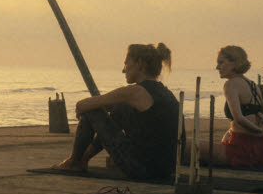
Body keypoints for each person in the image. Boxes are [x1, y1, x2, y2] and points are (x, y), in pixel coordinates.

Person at [52, 43, 180, 180]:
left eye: (126, 64)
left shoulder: (134, 92)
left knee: (93, 110)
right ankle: (81, 160)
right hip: (166, 170)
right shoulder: (165, 93)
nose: (123, 70)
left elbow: (82, 105)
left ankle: (74, 161)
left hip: (142, 169)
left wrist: (86, 111)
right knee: (120, 109)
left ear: (139, 63)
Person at [201, 45, 263, 167]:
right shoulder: (253, 85)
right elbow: (259, 115)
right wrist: (261, 128)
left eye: (221, 62)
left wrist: (257, 129)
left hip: (239, 151)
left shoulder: (230, 84)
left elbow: (238, 118)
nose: (217, 67)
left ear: (234, 63)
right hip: (261, 150)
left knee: (185, 145)